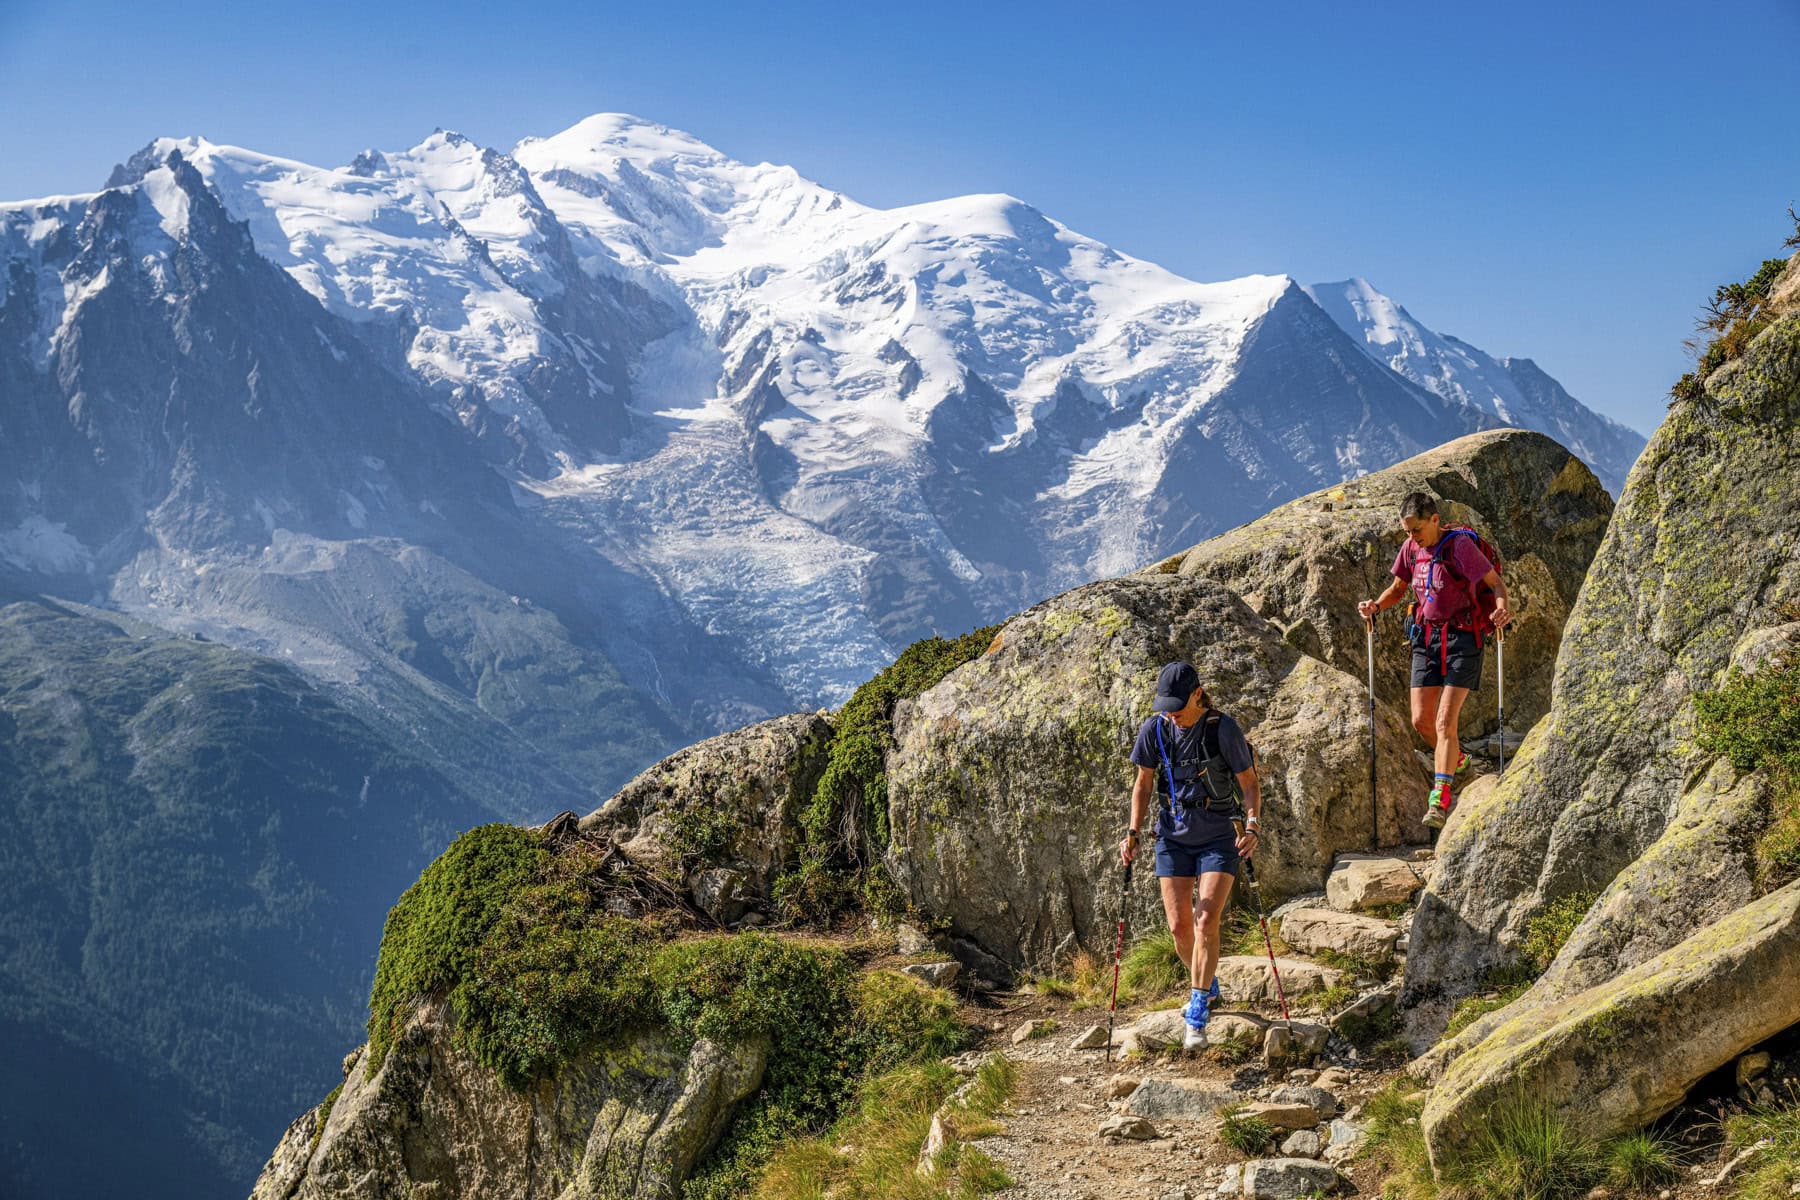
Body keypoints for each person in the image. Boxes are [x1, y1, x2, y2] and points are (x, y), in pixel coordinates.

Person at [1119, 662, 1262, 1050]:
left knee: (1204, 921)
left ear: (1198, 694)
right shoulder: (1156, 730)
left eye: (1177, 705)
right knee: (1180, 927)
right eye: (1165, 705)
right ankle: (1208, 983)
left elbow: (1249, 784)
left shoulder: (1223, 729)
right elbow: (1143, 785)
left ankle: (1197, 1011)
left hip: (1218, 836)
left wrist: (1252, 826)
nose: (1171, 712)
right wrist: (1133, 831)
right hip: (1172, 837)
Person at [1357, 492, 1511, 829]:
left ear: (1435, 520)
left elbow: (1495, 584)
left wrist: (1501, 607)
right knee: (1420, 720)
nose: (1412, 537)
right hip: (1426, 638)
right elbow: (1399, 589)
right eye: (1407, 531)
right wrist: (1375, 607)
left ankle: (1439, 798)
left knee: (1444, 723)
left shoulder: (1459, 548)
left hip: (1462, 638)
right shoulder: (1411, 550)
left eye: (1416, 530)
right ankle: (1458, 762)